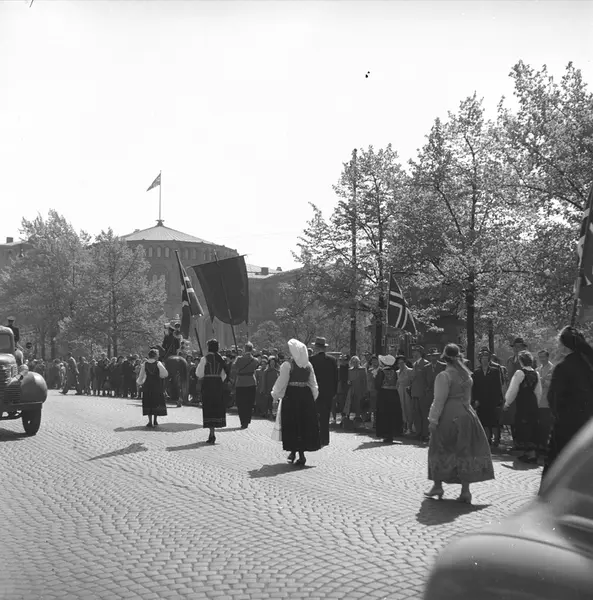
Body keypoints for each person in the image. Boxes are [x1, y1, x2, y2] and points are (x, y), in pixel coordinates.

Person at [425, 343, 494, 504]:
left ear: (444, 357)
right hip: (466, 413)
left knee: (439, 448)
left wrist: (433, 419)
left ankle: (437, 485)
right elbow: (467, 399)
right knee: (464, 450)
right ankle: (465, 491)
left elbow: (439, 400)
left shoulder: (444, 376)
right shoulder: (466, 376)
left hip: (449, 415)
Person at [541, 327, 593, 486]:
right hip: (587, 427)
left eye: (559, 343)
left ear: (565, 345)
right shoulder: (589, 365)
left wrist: (559, 416)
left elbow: (553, 398)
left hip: (566, 426)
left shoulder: (563, 367)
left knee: (557, 468)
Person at [271, 338, 321, 466]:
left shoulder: (288, 365)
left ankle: (295, 453)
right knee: (303, 424)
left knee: (292, 423)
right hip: (305, 396)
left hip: (292, 396)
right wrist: (313, 397)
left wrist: (275, 394)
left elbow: (282, 381)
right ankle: (298, 453)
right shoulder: (308, 365)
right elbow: (313, 383)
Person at [503, 350, 541, 464]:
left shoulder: (520, 373)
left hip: (523, 402)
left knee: (523, 426)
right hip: (532, 402)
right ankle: (531, 454)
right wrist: (536, 404)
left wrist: (507, 403)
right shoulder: (536, 373)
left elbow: (513, 389)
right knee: (532, 426)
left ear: (521, 361)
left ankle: (527, 454)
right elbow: (538, 391)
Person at [196, 339, 230, 444]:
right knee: (216, 407)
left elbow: (199, 374)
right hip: (218, 385)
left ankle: (211, 433)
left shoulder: (205, 358)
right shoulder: (220, 359)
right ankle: (212, 433)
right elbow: (224, 375)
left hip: (208, 385)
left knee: (209, 407)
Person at [472, 348, 504, 447]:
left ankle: (496, 439)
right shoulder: (476, 372)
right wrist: (475, 400)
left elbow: (498, 386)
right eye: (483, 358)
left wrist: (499, 400)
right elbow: (475, 387)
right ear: (480, 359)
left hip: (492, 400)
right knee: (483, 420)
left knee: (494, 421)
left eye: (486, 358)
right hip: (481, 400)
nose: (484, 360)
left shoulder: (495, 371)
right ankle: (487, 439)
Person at [309, 337, 338, 446]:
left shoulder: (312, 360)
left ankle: (316, 437)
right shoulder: (332, 360)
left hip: (315, 391)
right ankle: (325, 438)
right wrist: (334, 391)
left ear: (316, 347)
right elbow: (336, 377)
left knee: (315, 415)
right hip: (329, 392)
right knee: (325, 416)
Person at [136, 348, 168, 428]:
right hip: (156, 384)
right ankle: (155, 420)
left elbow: (141, 375)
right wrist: (160, 376)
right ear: (155, 356)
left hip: (148, 385)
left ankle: (150, 421)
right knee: (156, 401)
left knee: (148, 402)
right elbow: (165, 374)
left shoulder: (145, 364)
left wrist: (139, 382)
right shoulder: (158, 363)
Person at [419, 348, 446, 442]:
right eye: (431, 356)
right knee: (428, 414)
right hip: (429, 394)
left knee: (440, 413)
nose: (433, 358)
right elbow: (423, 381)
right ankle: (426, 434)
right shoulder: (426, 368)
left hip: (440, 393)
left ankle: (440, 434)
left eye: (435, 356)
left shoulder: (443, 366)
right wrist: (426, 390)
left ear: (438, 356)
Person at [375, 354, 402, 443]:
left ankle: (385, 433)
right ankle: (393, 433)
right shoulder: (395, 371)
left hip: (384, 394)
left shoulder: (381, 371)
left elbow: (378, 385)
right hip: (394, 394)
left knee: (384, 414)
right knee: (393, 414)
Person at [231, 342, 259, 429]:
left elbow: (233, 367)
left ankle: (243, 421)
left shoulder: (239, 359)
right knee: (249, 403)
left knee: (241, 403)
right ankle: (247, 420)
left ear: (244, 349)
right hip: (251, 382)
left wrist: (237, 358)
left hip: (241, 383)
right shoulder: (255, 360)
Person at [536, 349, 554, 460]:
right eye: (540, 357)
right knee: (539, 426)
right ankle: (540, 447)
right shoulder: (538, 369)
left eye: (543, 357)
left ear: (547, 357)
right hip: (538, 403)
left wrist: (541, 380)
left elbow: (551, 383)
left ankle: (545, 449)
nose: (541, 359)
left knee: (546, 427)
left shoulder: (553, 369)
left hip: (547, 403)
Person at [410, 346, 429, 441]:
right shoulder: (415, 364)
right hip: (414, 392)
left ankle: (425, 433)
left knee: (424, 414)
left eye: (416, 351)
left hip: (422, 393)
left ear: (420, 352)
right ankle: (418, 432)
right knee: (416, 414)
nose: (414, 353)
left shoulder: (425, 363)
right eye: (413, 352)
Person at [344, 356, 367, 423]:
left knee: (359, 404)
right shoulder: (350, 370)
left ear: (359, 362)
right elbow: (348, 380)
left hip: (360, 388)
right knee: (350, 403)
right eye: (353, 362)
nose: (355, 363)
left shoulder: (363, 369)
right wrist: (348, 382)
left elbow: (365, 381)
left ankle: (359, 417)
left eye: (356, 362)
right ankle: (348, 418)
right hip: (352, 388)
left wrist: (365, 391)